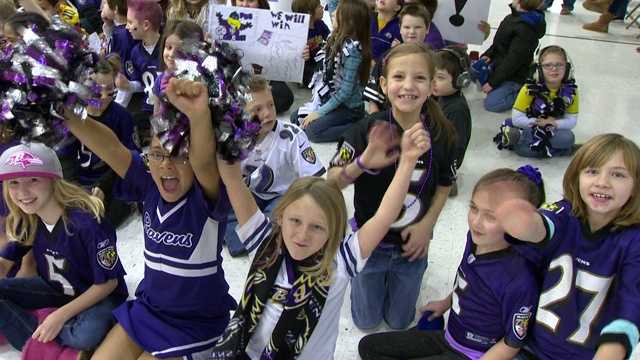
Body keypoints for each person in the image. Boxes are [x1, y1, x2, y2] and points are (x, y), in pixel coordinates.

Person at [209, 120, 430, 359]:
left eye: (317, 227)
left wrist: (407, 161)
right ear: (281, 216)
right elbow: (232, 179)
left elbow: (385, 215)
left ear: (333, 230)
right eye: (295, 221)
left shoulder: (341, 262)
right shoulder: (264, 242)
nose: (302, 235)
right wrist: (224, 128)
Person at [63, 78, 236, 358]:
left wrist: (200, 113)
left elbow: (205, 162)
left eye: (179, 155)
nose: (166, 164)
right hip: (149, 309)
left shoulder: (205, 197)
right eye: (157, 154)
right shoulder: (148, 187)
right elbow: (110, 147)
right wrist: (66, 111)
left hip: (195, 322)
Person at [328, 42, 457, 330]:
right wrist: (362, 162)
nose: (408, 86)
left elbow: (445, 185)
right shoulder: (365, 130)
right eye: (399, 77)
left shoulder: (443, 134)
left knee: (400, 323)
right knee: (365, 321)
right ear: (384, 84)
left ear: (432, 85)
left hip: (412, 249)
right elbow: (331, 181)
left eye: (419, 78)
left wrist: (427, 227)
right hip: (368, 246)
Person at [359, 166, 545, 360]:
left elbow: (512, 343)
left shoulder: (520, 279)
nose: (476, 222)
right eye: (473, 208)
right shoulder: (476, 239)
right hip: (449, 338)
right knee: (369, 347)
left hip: (474, 355)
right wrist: (445, 303)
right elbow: (467, 280)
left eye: (490, 216)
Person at [497, 133, 640, 360]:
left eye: (618, 175)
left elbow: (629, 308)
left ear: (636, 186)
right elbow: (544, 228)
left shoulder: (633, 241)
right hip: (531, 347)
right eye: (592, 171)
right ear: (576, 177)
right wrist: (524, 223)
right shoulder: (565, 211)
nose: (602, 182)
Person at [0, 143, 128, 353]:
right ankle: (43, 338)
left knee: (85, 336)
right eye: (13, 182)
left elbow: (108, 284)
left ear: (53, 179)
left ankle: (40, 337)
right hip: (58, 289)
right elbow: (4, 264)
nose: (22, 191)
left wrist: (59, 316)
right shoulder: (28, 219)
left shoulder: (86, 224)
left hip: (98, 295)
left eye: (33, 179)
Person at [224, 76, 326, 257]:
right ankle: (254, 236)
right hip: (249, 195)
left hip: (282, 196)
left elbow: (314, 180)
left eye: (270, 105)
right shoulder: (233, 138)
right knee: (221, 210)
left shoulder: (292, 135)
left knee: (285, 216)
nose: (268, 113)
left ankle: (261, 236)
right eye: (258, 109)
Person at [59, 56, 138, 228]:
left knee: (105, 218)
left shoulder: (121, 116)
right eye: (96, 92)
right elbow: (65, 161)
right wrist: (78, 192)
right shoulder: (75, 118)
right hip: (82, 184)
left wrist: (103, 186)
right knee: (74, 220)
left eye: (109, 91)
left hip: (112, 181)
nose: (103, 97)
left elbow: (132, 159)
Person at [291, 0, 372, 143]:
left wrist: (319, 113)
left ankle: (360, 126)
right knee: (295, 117)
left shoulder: (353, 52)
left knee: (312, 132)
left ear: (349, 22)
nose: (332, 13)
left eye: (337, 13)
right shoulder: (333, 38)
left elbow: (344, 92)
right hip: (331, 99)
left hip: (348, 108)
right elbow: (324, 68)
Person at [494, 45, 577, 158]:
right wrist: (540, 123)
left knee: (568, 138)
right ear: (539, 70)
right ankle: (526, 139)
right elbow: (517, 119)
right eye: (548, 65)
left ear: (567, 68)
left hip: (554, 128)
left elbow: (572, 121)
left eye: (559, 65)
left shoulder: (572, 91)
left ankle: (522, 140)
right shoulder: (528, 89)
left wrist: (553, 123)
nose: (554, 69)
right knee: (525, 150)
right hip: (529, 125)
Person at [365, 3, 444, 114]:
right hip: (386, 119)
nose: (411, 32)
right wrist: (377, 125)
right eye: (407, 27)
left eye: (417, 27)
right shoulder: (386, 58)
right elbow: (373, 100)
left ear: (427, 29)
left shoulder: (435, 62)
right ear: (400, 29)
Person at [475, 0, 546, 113]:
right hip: (499, 65)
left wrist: (493, 82)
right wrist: (488, 54)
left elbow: (513, 61)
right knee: (473, 69)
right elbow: (498, 43)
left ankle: (525, 93)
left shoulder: (526, 29)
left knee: (492, 104)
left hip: (515, 76)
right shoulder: (511, 18)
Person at [230, 0, 295, 115]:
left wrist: (299, 53)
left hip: (265, 76)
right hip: (236, 79)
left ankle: (252, 105)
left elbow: (282, 51)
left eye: (250, 1)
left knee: (285, 97)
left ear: (259, 2)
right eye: (240, 0)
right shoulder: (227, 21)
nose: (245, 4)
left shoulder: (270, 22)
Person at [116, 0, 163, 146]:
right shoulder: (135, 52)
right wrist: (128, 85)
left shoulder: (167, 48)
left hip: (167, 109)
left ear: (146, 25)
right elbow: (141, 85)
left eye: (130, 22)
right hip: (147, 109)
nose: (127, 27)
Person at [432, 47, 472, 196]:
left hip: (446, 158)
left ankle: (447, 181)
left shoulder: (456, 109)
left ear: (461, 80)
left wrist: (447, 172)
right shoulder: (442, 97)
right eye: (432, 76)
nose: (434, 82)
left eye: (440, 78)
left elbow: (456, 147)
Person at [292, 0, 330, 87]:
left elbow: (330, 39)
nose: (322, 8)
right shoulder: (298, 30)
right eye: (319, 6)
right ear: (309, 12)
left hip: (318, 61)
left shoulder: (320, 24)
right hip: (305, 66)